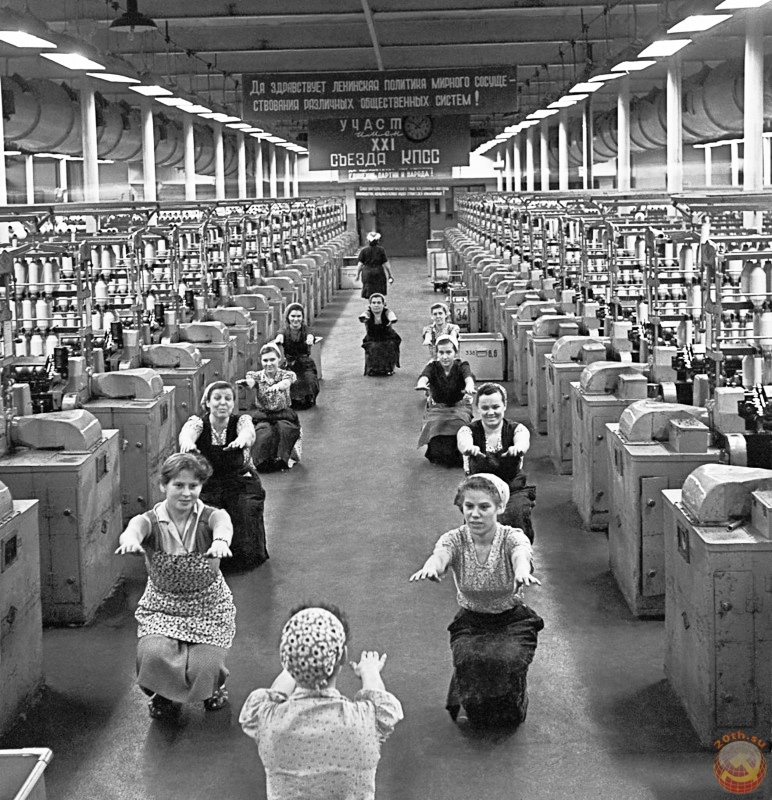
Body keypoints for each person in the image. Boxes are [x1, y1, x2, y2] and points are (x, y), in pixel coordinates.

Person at [409, 473, 543, 728]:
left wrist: (522, 571)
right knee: (469, 659)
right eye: (469, 506)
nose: (475, 514)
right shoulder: (454, 539)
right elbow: (441, 555)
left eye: (484, 507)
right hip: (471, 621)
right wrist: (432, 567)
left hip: (512, 619)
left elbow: (520, 554)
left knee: (507, 660)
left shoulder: (512, 537)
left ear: (499, 508)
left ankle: (516, 701)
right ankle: (471, 704)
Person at [115, 452, 236, 720]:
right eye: (178, 485)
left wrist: (220, 541)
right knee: (153, 655)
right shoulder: (150, 520)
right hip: (162, 606)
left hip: (208, 606)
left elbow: (223, 525)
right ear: (163, 485)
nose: (186, 493)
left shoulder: (210, 516)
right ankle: (164, 693)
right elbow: (134, 528)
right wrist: (131, 540)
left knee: (205, 664)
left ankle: (213, 687)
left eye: (193, 486)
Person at [239, 604, 403, 800]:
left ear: (286, 660)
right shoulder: (365, 720)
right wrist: (370, 670)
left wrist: (300, 661)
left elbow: (273, 695)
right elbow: (380, 701)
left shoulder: (267, 719)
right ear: (343, 655)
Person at [178, 381, 268, 569]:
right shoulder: (199, 423)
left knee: (245, 509)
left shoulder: (241, 421)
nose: (222, 403)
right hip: (208, 484)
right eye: (217, 398)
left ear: (233, 403)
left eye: (228, 399)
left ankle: (243, 559)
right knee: (201, 513)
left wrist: (242, 439)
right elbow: (187, 434)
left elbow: (248, 433)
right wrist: (187, 443)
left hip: (239, 481)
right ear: (207, 402)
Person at [456, 382, 536, 542]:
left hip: (513, 489)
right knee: (479, 520)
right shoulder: (468, 430)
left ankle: (520, 552)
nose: (490, 412)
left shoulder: (517, 429)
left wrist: (518, 448)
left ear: (504, 406)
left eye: (495, 407)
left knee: (516, 515)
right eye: (485, 408)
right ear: (478, 408)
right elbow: (463, 441)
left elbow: (523, 441)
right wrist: (468, 448)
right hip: (479, 490)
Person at [415, 334, 475, 467]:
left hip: (459, 408)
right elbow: (424, 376)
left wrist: (469, 386)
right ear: (437, 354)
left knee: (461, 427)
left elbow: (468, 377)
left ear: (455, 353)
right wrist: (421, 383)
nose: (445, 356)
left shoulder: (462, 365)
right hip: (437, 409)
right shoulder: (432, 367)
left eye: (448, 352)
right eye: (441, 353)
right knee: (435, 435)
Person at [244, 343, 302, 471]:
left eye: (272, 359)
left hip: (284, 413)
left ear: (279, 359)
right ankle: (263, 461)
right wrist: (247, 383)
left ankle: (282, 459)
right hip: (263, 415)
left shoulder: (286, 374)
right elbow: (252, 382)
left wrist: (278, 386)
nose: (269, 363)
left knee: (285, 430)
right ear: (261, 361)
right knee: (264, 432)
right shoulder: (257, 376)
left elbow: (286, 383)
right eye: (265, 360)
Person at [272, 302, 320, 409]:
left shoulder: (306, 330)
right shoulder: (284, 331)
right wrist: (279, 338)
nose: (295, 319)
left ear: (302, 317)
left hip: (305, 364)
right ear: (288, 317)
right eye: (293, 316)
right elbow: (280, 334)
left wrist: (310, 338)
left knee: (310, 380)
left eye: (299, 316)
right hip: (289, 364)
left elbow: (310, 333)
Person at [360, 293, 401, 376]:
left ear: (383, 304)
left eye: (379, 303)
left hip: (388, 337)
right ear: (370, 304)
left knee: (389, 345)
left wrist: (392, 319)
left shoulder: (387, 312)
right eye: (373, 303)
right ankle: (373, 369)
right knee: (373, 347)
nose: (376, 305)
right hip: (372, 338)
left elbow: (392, 316)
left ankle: (388, 368)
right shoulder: (368, 313)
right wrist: (363, 318)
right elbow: (364, 316)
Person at [355, 231, 394, 299]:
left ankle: (371, 303)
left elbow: (360, 265)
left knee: (369, 291)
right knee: (379, 291)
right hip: (378, 272)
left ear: (368, 241)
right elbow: (386, 264)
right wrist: (390, 275)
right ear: (378, 241)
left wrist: (357, 275)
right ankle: (379, 303)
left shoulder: (364, 251)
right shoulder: (381, 250)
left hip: (367, 273)